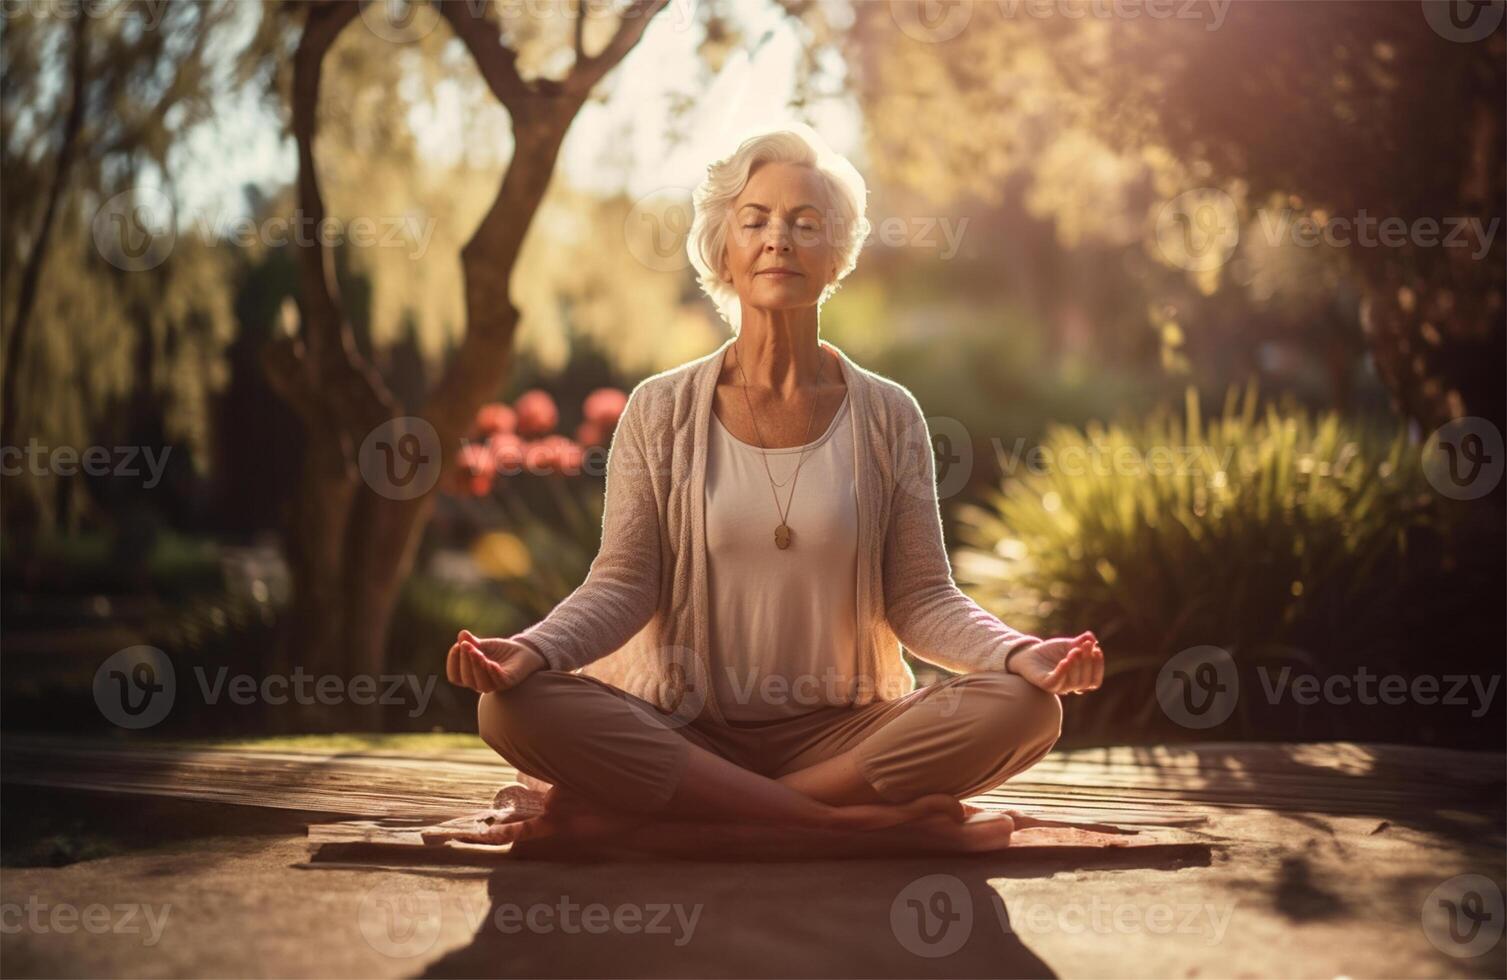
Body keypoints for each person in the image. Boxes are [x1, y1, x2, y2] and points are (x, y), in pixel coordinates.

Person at [445, 124, 1104, 852]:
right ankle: (835, 826)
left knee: (1026, 709)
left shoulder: (888, 414)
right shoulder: (659, 409)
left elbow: (921, 596)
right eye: (754, 220)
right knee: (511, 710)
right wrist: (532, 652)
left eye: (805, 223)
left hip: (843, 736)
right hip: (686, 731)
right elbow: (623, 583)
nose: (777, 239)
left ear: (835, 255)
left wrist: (1018, 653)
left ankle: (705, 815)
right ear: (722, 251)